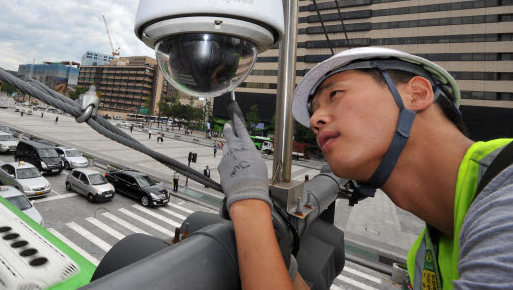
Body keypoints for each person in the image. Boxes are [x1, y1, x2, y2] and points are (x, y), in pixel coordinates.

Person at [217, 47, 513, 289]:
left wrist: (249, 202)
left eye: (334, 95)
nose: (317, 119)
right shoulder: (425, 256)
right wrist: (280, 260)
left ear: (418, 94)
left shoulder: (505, 201)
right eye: (313, 112)